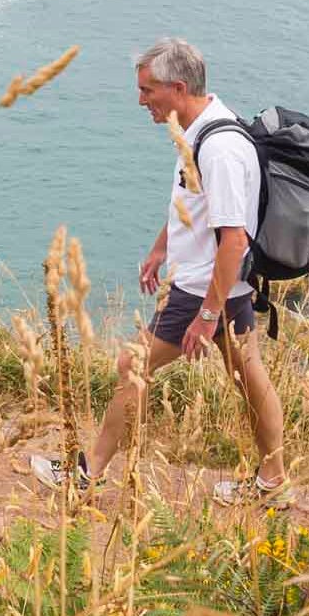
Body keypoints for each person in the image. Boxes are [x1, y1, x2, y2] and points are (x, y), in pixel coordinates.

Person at [36, 37, 289, 505]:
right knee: (250, 378)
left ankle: (86, 474)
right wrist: (160, 248)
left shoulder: (220, 149)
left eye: (147, 90)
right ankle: (273, 481)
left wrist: (207, 314)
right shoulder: (198, 129)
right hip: (216, 286)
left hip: (205, 289)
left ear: (178, 86)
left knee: (133, 366)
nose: (141, 100)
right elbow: (193, 205)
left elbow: (234, 238)